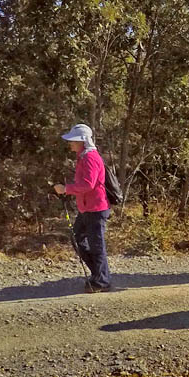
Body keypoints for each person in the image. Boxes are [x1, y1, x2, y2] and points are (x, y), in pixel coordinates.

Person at [53, 124, 113, 293]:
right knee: (78, 239)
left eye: (73, 140)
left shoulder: (90, 158)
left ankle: (102, 281)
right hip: (87, 208)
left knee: (96, 245)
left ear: (82, 141)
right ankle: (98, 275)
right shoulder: (83, 156)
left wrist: (66, 189)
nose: (70, 143)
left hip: (96, 208)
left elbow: (88, 184)